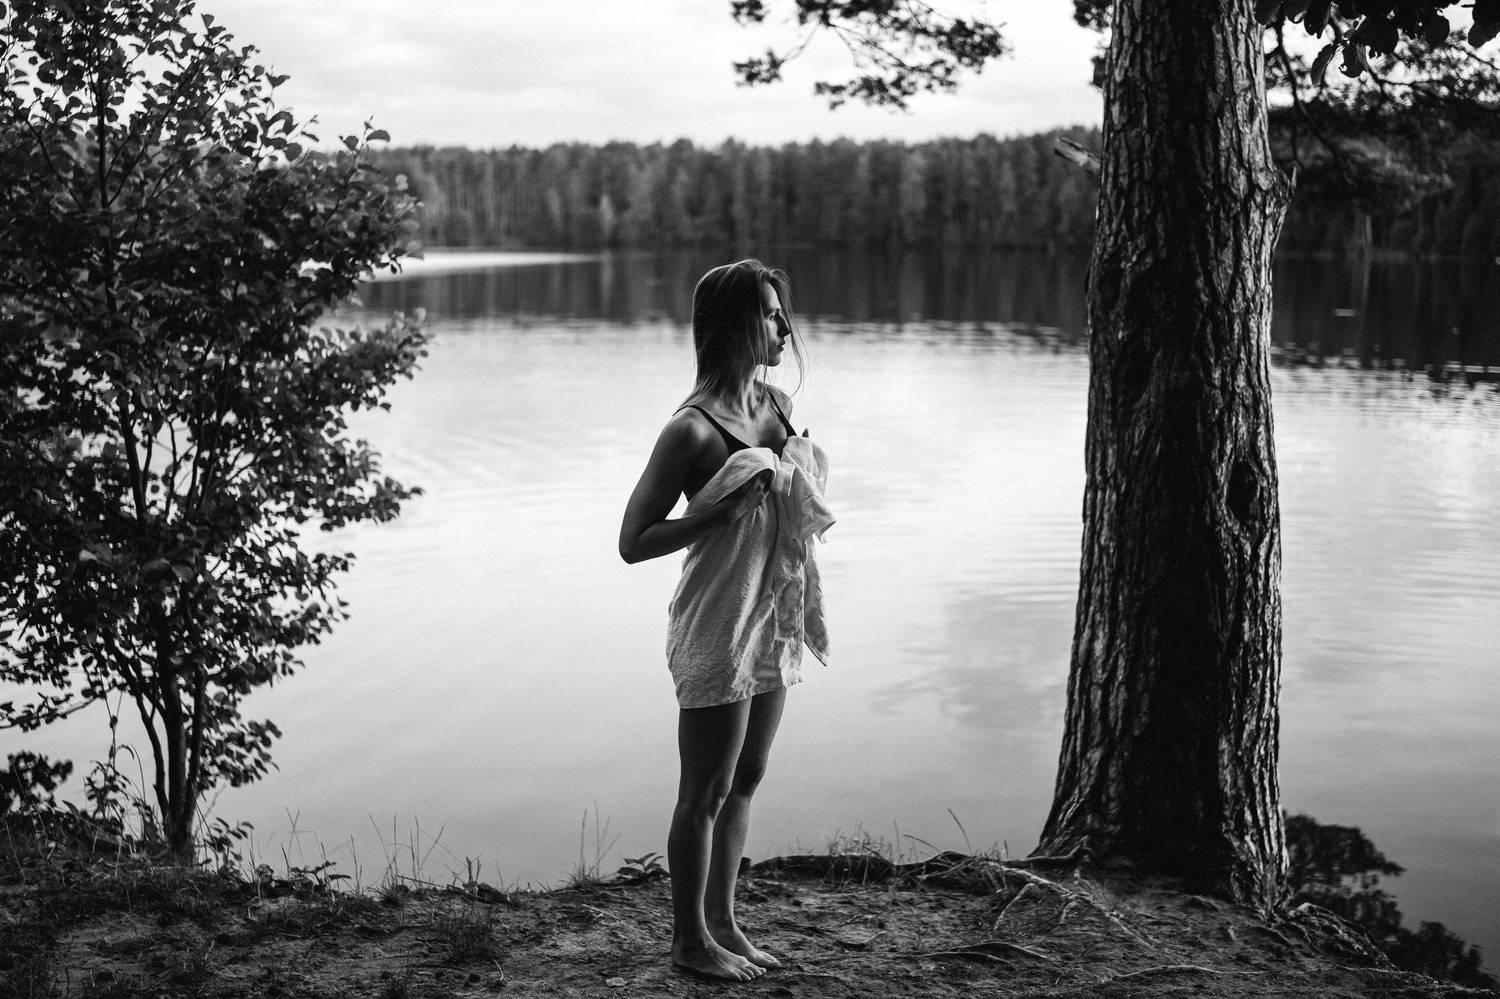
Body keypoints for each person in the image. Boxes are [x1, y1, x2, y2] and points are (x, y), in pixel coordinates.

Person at [619, 259, 832, 981]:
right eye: (770, 315)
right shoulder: (691, 430)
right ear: (734, 325)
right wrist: (711, 516)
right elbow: (633, 541)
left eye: (782, 313)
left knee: (748, 776)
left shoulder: (775, 405)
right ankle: (688, 941)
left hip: (773, 610)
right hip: (716, 620)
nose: (784, 329)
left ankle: (723, 922)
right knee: (703, 791)